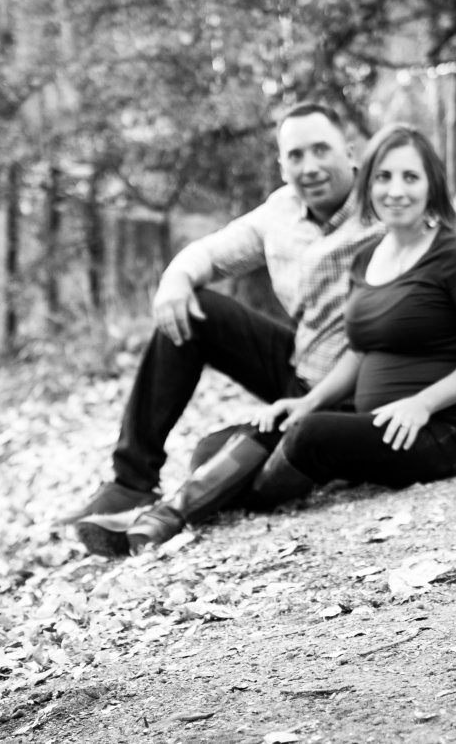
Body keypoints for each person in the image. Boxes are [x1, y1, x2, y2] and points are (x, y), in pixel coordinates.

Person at [100, 124, 456, 554]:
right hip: (374, 421)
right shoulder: (368, 258)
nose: (396, 191)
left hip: (449, 428)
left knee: (309, 435)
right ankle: (157, 497)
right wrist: (307, 402)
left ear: (432, 185)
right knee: (214, 450)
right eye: (384, 177)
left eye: (410, 177)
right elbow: (360, 351)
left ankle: (171, 514)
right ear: (368, 185)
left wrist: (423, 403)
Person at [67, 103, 383, 556]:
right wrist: (175, 280)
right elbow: (209, 253)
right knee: (195, 308)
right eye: (296, 156)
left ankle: (172, 511)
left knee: (212, 455)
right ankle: (130, 483)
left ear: (349, 152)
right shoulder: (282, 211)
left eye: (321, 150)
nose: (310, 167)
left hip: (361, 384)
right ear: (282, 165)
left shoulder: (385, 205)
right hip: (302, 366)